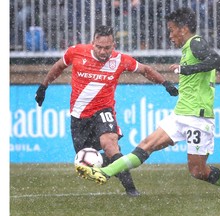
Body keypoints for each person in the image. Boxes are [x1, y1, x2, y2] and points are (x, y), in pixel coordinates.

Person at [75, 8, 220, 197]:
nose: (170, 36)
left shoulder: (196, 43)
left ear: (183, 29)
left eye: (171, 30)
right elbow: (216, 63)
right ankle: (104, 172)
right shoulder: (189, 48)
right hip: (180, 114)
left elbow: (215, 61)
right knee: (146, 145)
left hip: (198, 117)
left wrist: (187, 70)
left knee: (198, 171)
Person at [35, 25, 178, 197]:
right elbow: (58, 66)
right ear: (92, 43)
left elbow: (145, 70)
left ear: (114, 45)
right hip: (79, 116)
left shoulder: (120, 60)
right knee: (85, 161)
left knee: (109, 145)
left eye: (107, 48)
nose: (103, 51)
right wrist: (43, 86)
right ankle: (114, 162)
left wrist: (165, 84)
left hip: (103, 110)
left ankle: (131, 190)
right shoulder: (76, 52)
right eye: (99, 47)